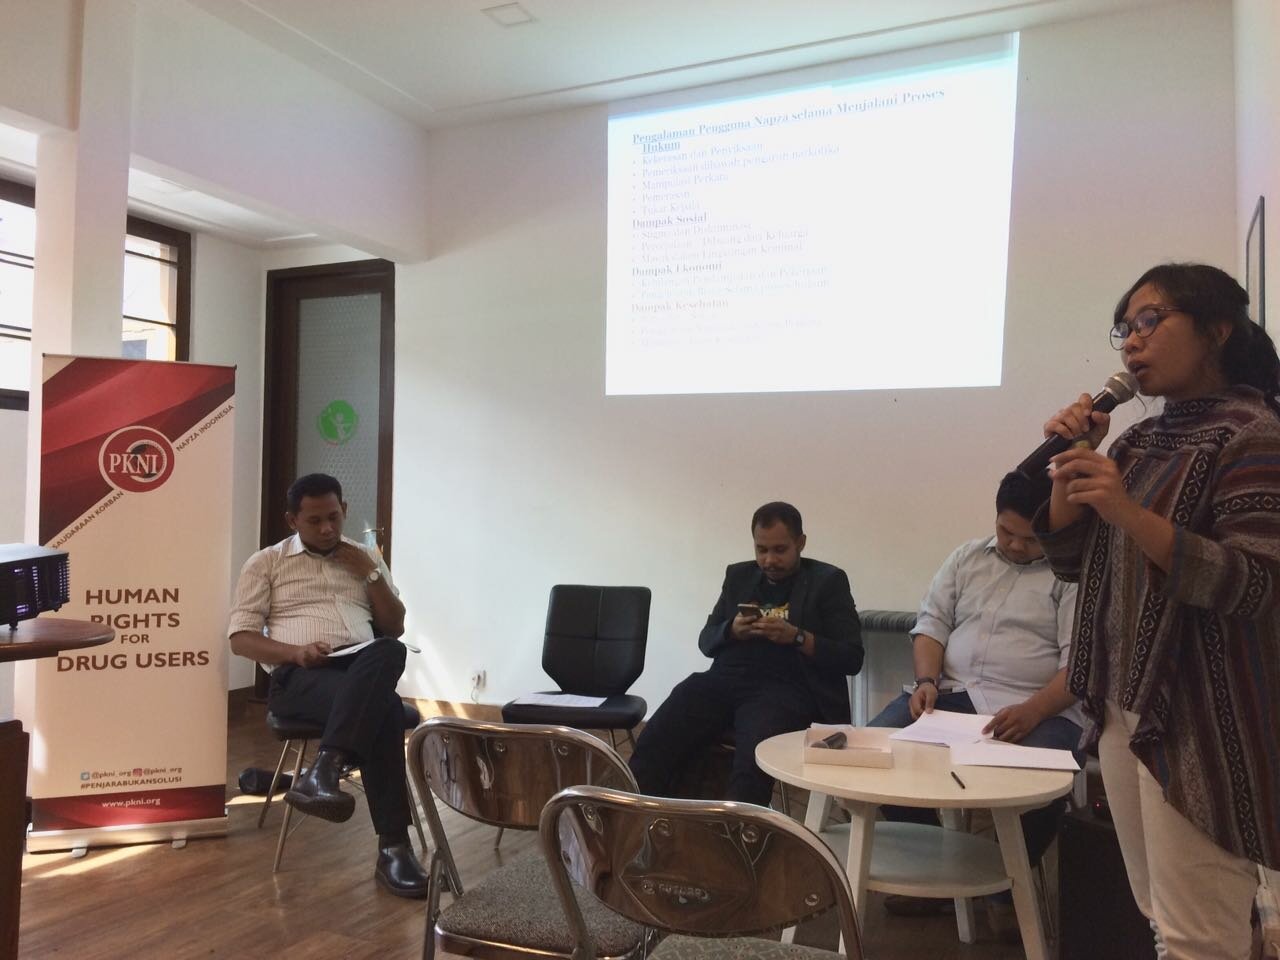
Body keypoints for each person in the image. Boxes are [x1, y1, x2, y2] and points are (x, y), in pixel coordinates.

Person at [1035, 263, 1280, 959]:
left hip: (1202, 715)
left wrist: (1126, 510)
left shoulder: (1254, 434)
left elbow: (1254, 584)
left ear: (1217, 329)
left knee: (1199, 934)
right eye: (1125, 328)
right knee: (1161, 917)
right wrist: (1075, 461)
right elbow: (1075, 563)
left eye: (1151, 320)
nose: (1133, 341)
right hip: (1124, 703)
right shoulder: (1136, 442)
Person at [868, 470, 1081, 922]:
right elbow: (931, 625)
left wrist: (1033, 710)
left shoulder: (1071, 573)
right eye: (1006, 532)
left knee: (1045, 780)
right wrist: (926, 682)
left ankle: (1007, 893)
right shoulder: (967, 557)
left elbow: (1078, 666)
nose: (1016, 545)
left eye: (1030, 539)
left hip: (1040, 705)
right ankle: (936, 874)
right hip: (952, 694)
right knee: (875, 747)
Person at [227, 473, 429, 898]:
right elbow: (241, 639)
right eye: (315, 520)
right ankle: (394, 849)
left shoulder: (364, 558)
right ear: (292, 520)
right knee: (385, 712)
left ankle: (324, 769)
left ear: (345, 511)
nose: (327, 529)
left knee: (389, 649)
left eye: (334, 517)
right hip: (299, 677)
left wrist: (370, 575)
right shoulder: (266, 563)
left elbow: (394, 625)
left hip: (360, 668)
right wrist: (294, 653)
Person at [628, 501, 862, 806]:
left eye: (780, 550)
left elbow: (852, 657)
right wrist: (731, 630)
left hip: (787, 688)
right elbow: (706, 641)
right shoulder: (739, 576)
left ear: (801, 543)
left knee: (752, 758)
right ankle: (630, 811)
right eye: (761, 550)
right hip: (726, 679)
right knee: (660, 731)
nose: (769, 560)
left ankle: (741, 830)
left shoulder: (827, 582)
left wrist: (797, 637)